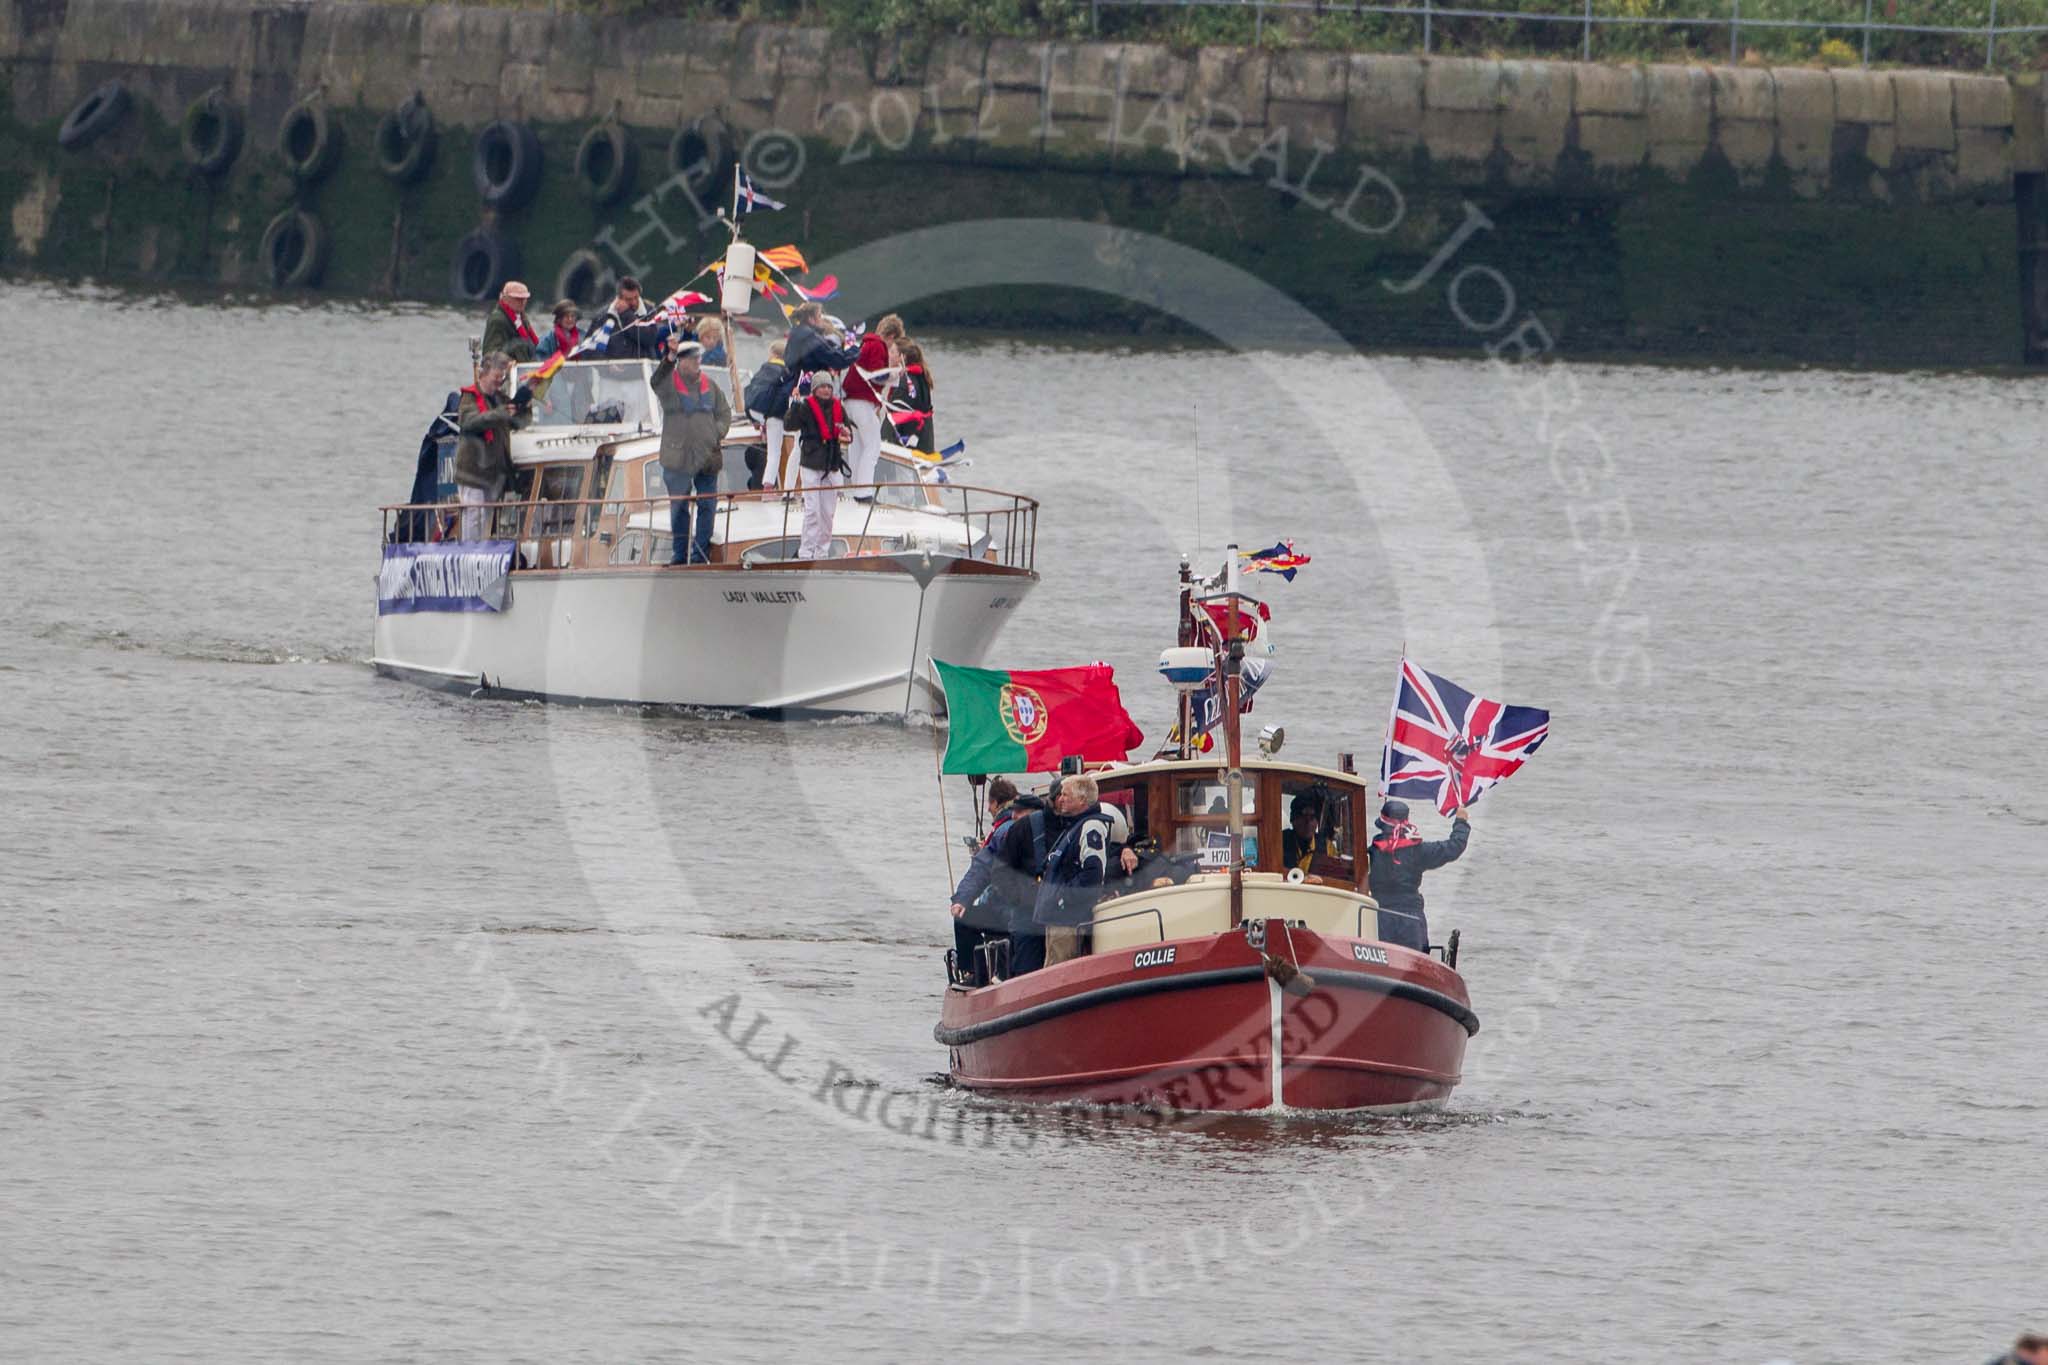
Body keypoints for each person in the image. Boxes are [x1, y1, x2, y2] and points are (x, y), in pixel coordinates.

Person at [648, 336, 730, 565]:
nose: (697, 362)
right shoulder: (669, 386)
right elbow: (656, 381)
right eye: (692, 359)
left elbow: (724, 413)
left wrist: (717, 432)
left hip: (707, 458)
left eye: (698, 358)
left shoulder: (711, 386)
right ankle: (679, 555)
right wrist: (669, 356)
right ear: (681, 362)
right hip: (678, 459)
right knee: (679, 508)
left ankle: (700, 555)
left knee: (707, 507)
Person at [1366, 798, 1470, 953]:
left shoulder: (1369, 853)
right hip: (1411, 920)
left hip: (1379, 916)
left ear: (1382, 825)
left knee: (1381, 960)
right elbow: (1454, 847)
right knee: (1415, 962)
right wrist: (1461, 821)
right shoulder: (1419, 851)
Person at [946, 777, 1022, 986]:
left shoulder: (1002, 831)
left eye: (990, 804)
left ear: (996, 804)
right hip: (1027, 909)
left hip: (1007, 910)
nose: (988, 809)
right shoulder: (1021, 826)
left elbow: (982, 869)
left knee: (964, 920)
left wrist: (961, 900)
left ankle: (974, 974)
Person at [452, 352, 531, 540]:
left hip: (494, 473)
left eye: (502, 377)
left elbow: (520, 423)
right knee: (473, 517)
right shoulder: (469, 398)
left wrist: (524, 406)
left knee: (488, 519)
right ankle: (469, 554)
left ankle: (484, 553)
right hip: (472, 472)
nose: (499, 381)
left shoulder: (501, 399)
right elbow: (470, 422)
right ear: (484, 374)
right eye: (496, 377)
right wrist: (501, 414)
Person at [786, 369, 851, 561]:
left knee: (828, 514)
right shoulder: (805, 407)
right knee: (812, 511)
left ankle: (822, 553)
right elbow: (789, 426)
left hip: (831, 464)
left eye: (828, 386)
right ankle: (806, 553)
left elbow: (849, 435)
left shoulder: (839, 408)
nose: (825, 390)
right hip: (810, 464)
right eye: (822, 386)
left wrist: (847, 435)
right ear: (814, 389)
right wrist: (794, 405)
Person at [840, 320, 895, 498]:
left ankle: (856, 487)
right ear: (892, 337)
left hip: (849, 402)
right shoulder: (878, 346)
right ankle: (863, 492)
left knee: (857, 446)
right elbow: (876, 376)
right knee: (873, 446)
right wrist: (894, 374)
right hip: (862, 401)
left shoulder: (865, 344)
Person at [743, 339, 789, 489]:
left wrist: (754, 418)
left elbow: (750, 390)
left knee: (773, 453)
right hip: (775, 415)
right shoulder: (787, 372)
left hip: (755, 411)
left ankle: (767, 488)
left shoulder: (763, 370)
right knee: (776, 452)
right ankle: (772, 486)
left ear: (773, 354)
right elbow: (784, 396)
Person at [596, 276, 658, 359]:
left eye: (636, 297)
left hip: (643, 367)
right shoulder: (605, 314)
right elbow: (592, 346)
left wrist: (627, 314)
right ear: (619, 298)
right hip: (615, 368)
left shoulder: (649, 311)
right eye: (629, 299)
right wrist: (607, 363)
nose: (634, 302)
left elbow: (650, 339)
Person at [892, 340, 936, 456]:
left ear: (903, 357)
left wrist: (886, 439)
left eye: (892, 352)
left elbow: (895, 414)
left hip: (911, 441)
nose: (889, 355)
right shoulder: (922, 377)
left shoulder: (907, 382)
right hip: (925, 438)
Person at [1282, 792, 1340, 874]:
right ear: (1293, 819)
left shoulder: (1328, 847)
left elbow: (1336, 876)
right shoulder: (1280, 841)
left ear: (1317, 822)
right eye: (1303, 817)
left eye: (1312, 817)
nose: (1308, 822)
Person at [480, 281, 538, 362]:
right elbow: (491, 353)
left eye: (524, 299)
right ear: (505, 298)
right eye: (518, 299)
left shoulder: (522, 317)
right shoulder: (497, 319)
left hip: (524, 368)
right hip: (510, 370)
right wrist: (509, 362)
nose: (522, 302)